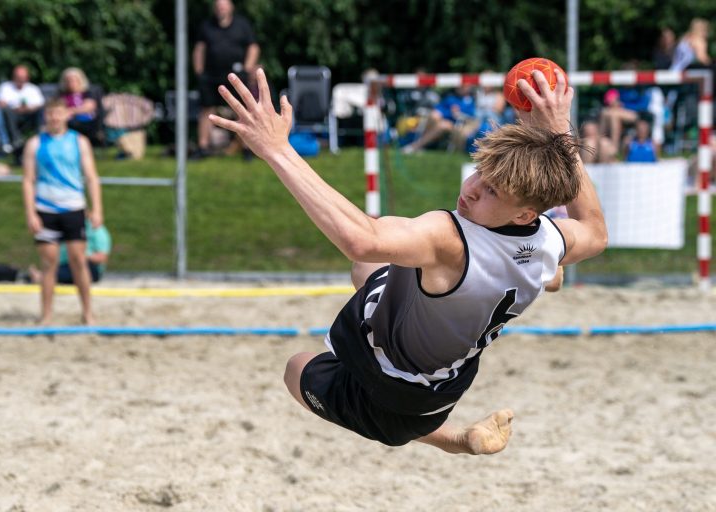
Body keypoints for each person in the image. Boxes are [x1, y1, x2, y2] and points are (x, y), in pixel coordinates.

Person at [209, 69, 607, 453]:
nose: (470, 190)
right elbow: (595, 232)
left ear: (524, 213)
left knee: (297, 368)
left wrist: (278, 150)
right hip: (443, 392)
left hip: (389, 391)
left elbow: (359, 239)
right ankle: (539, 282)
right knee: (371, 270)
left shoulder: (447, 237)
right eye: (478, 173)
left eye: (491, 192)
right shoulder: (547, 237)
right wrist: (559, 132)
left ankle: (452, 441)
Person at [21, 98, 104, 325]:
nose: (55, 118)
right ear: (46, 116)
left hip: (73, 207)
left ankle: (88, 313)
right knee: (48, 264)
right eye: (51, 114)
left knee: (79, 261)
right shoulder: (35, 144)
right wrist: (30, 213)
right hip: (46, 209)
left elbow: (91, 178)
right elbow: (28, 180)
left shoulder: (79, 142)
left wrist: (97, 208)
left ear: (67, 115)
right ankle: (46, 315)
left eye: (59, 113)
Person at [191, 0, 259, 158]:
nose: (221, 8)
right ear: (215, 8)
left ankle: (246, 149)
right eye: (218, 5)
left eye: (224, 5)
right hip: (210, 75)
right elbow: (199, 49)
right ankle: (203, 147)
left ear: (231, 7)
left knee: (241, 110)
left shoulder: (242, 25)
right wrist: (199, 72)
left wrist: (247, 67)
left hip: (236, 76)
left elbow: (253, 47)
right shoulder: (206, 26)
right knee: (206, 110)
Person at [27, 220, 111, 285]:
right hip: (67, 264)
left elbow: (102, 257)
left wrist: (83, 256)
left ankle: (42, 277)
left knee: (79, 265)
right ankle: (43, 276)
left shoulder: (96, 229)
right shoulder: (67, 227)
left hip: (89, 265)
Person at [401, 85, 476, 154]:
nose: (461, 87)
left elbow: (471, 116)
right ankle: (421, 142)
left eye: (464, 86)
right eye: (460, 86)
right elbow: (439, 109)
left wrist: (457, 114)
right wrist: (446, 113)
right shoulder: (451, 98)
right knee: (434, 115)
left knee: (442, 125)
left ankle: (416, 145)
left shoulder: (470, 100)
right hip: (442, 121)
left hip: (458, 125)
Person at [0, 65, 45, 154]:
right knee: (6, 111)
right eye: (18, 77)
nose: (20, 80)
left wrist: (27, 108)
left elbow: (40, 104)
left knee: (41, 112)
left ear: (27, 78)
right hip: (12, 115)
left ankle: (40, 137)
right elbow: (1, 103)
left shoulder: (33, 89)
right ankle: (16, 140)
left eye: (22, 77)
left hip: (29, 115)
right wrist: (15, 107)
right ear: (13, 77)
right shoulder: (5, 87)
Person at [59, 67, 99, 143]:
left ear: (80, 81)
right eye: (68, 81)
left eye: (74, 80)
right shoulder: (62, 95)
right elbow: (59, 107)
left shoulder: (87, 93)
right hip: (68, 119)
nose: (71, 83)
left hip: (87, 120)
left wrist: (71, 111)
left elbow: (89, 107)